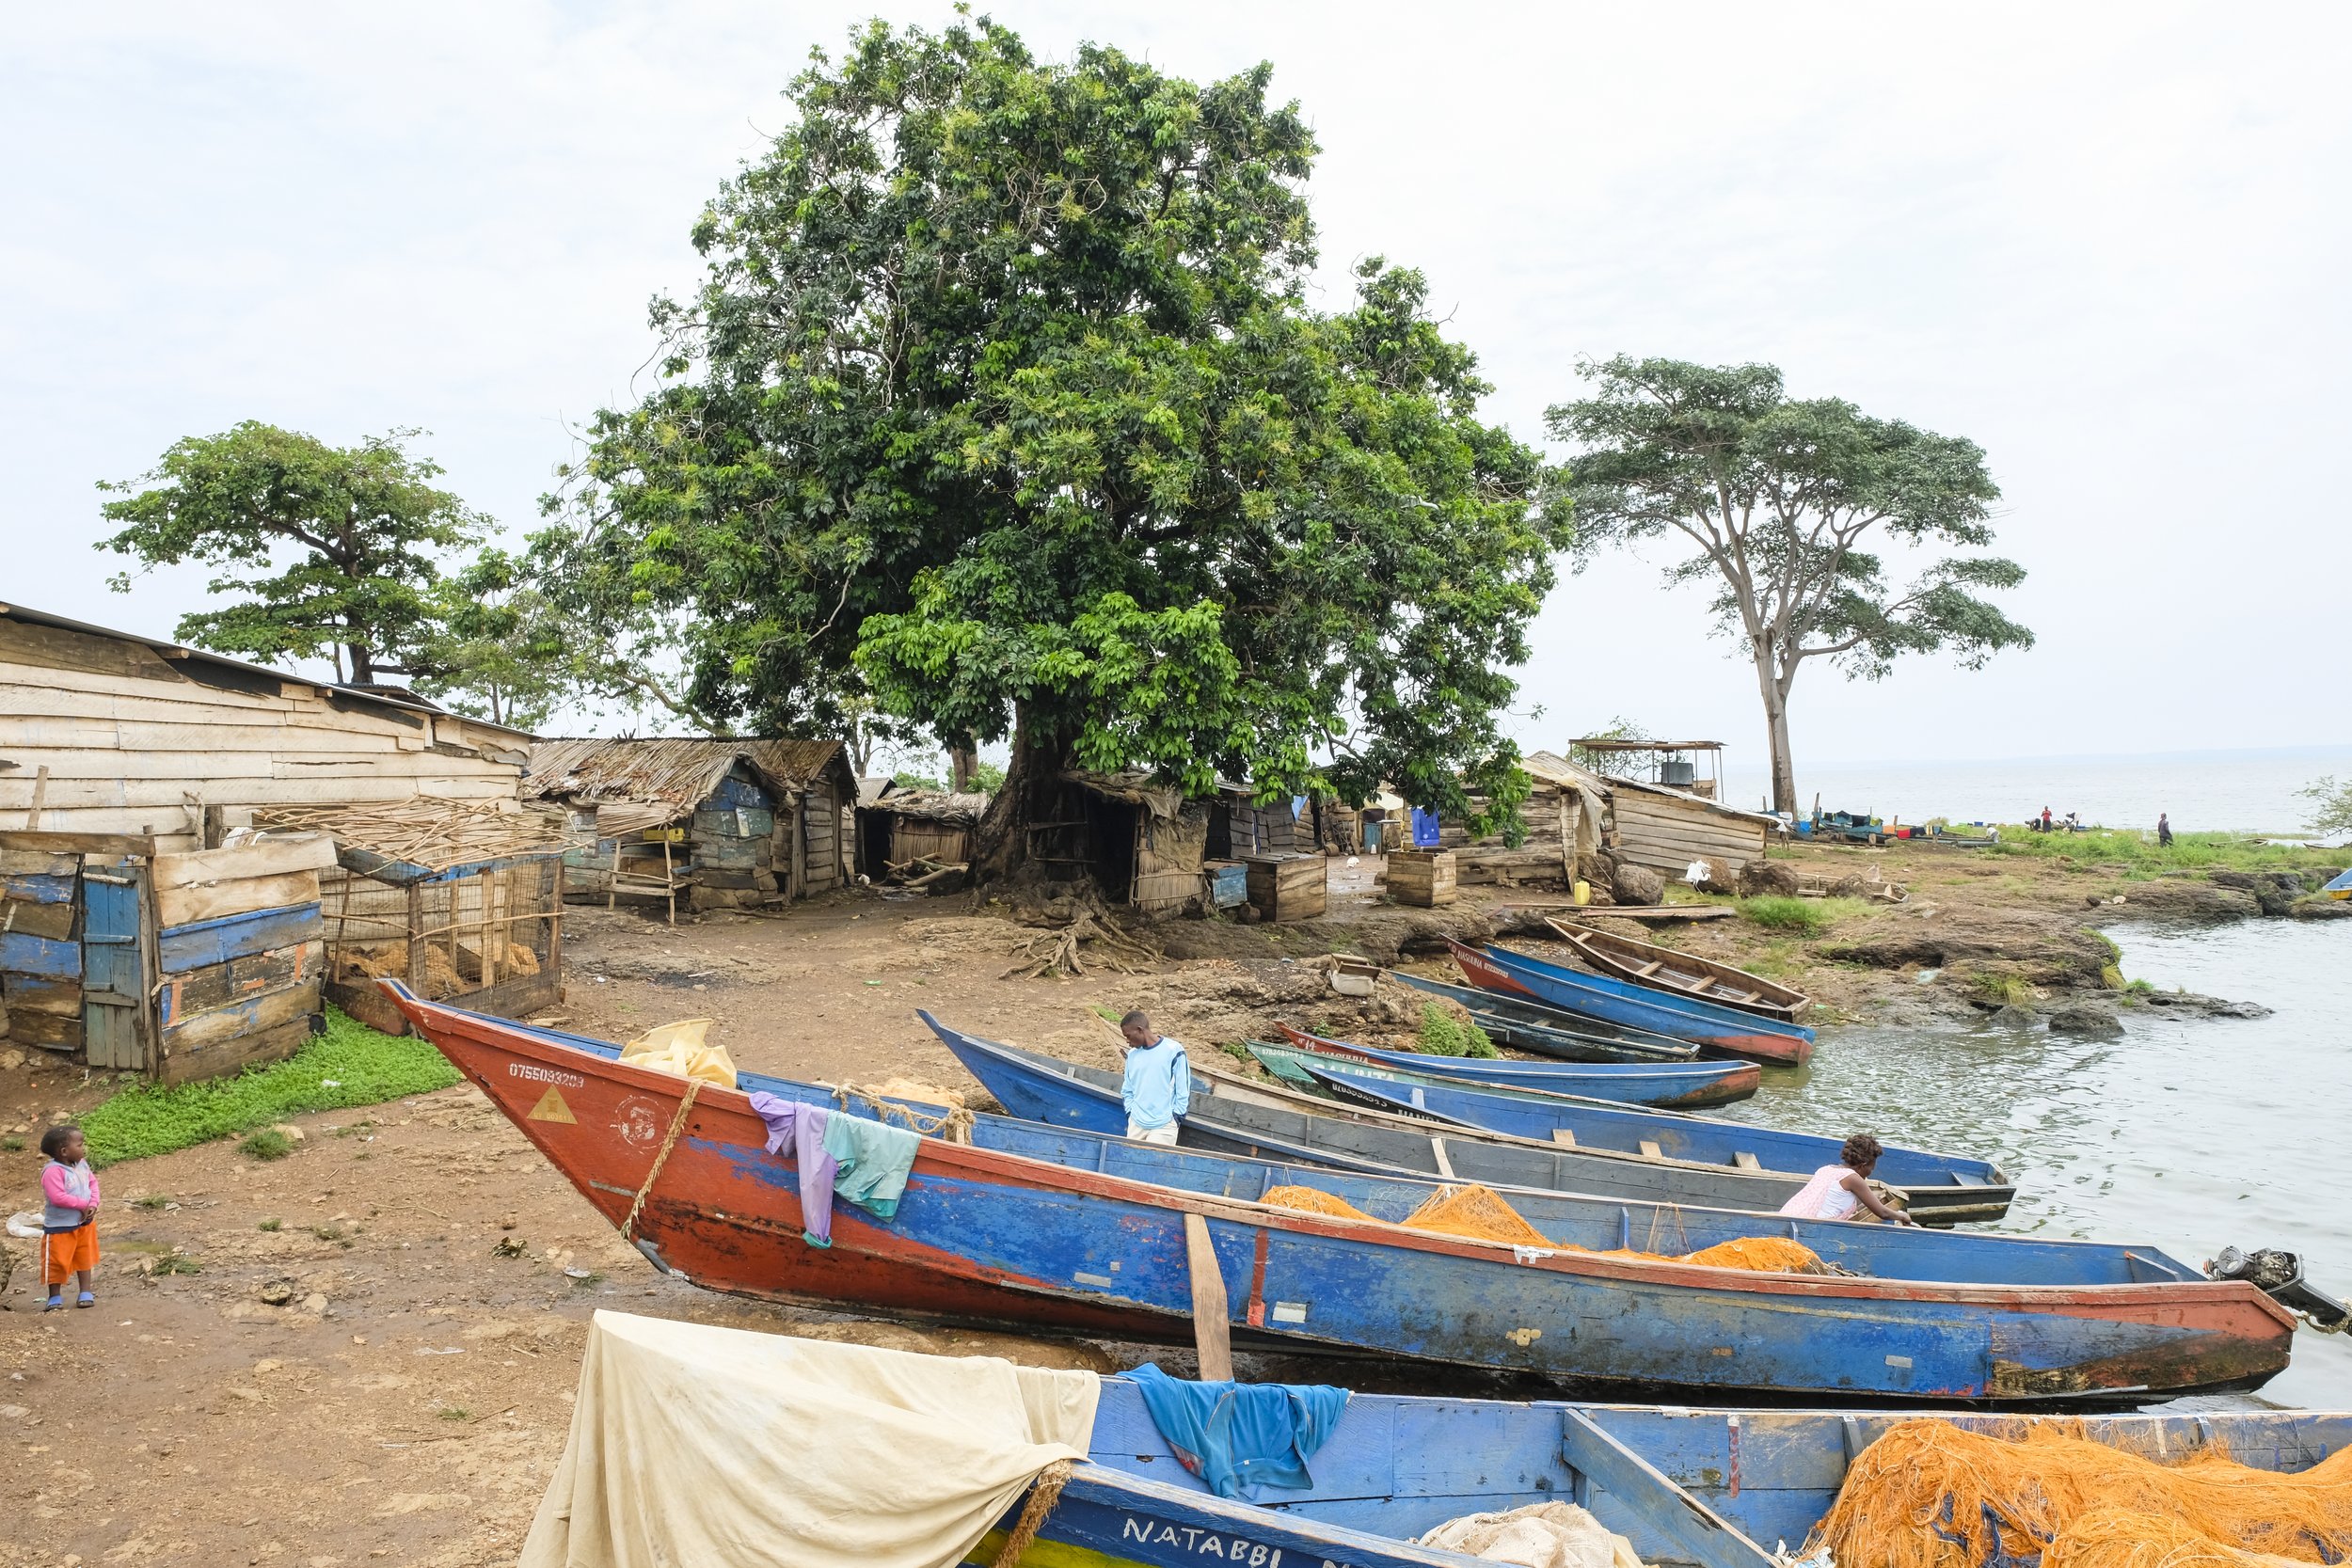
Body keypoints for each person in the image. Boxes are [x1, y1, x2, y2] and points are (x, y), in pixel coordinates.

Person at [1775, 1133, 1916, 1226]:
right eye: (1871, 1168)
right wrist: (1902, 1216)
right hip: (1810, 1227)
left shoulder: (1826, 1169)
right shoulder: (1853, 1179)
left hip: (1789, 1218)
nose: (1870, 1173)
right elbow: (1883, 1213)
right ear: (1863, 1165)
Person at [39, 1124, 102, 1309]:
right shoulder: (52, 1171)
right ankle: (55, 1297)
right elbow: (57, 1197)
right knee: (57, 1260)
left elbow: (93, 1183)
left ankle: (85, 1292)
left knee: (84, 1257)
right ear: (64, 1151)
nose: (84, 1148)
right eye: (80, 1145)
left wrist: (93, 1203)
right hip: (60, 1227)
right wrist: (83, 1204)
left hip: (84, 1223)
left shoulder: (82, 1165)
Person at [1118, 1010, 1190, 1146]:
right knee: (1130, 1164)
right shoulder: (1132, 1055)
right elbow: (1127, 1089)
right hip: (1136, 1123)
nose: (1127, 1041)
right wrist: (1130, 1113)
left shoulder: (1174, 1050)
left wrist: (1176, 1117)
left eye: (1128, 1036)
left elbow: (1183, 1089)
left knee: (1154, 1164)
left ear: (1140, 1030)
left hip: (1164, 1124)